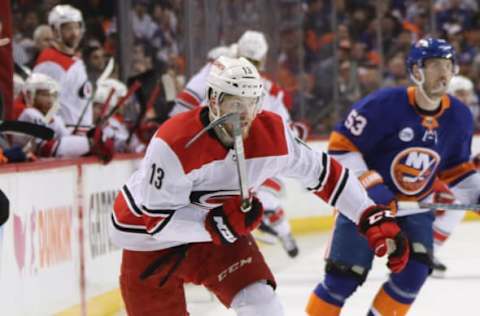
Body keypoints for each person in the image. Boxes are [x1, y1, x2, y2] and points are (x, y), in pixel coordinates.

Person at [109, 56, 408, 315]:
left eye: (251, 103)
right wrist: (218, 226)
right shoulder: (174, 143)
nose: (244, 113)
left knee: (262, 306)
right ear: (213, 100)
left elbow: (324, 173)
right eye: (234, 103)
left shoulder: (272, 134)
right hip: (147, 243)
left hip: (215, 237)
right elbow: (156, 222)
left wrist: (369, 215)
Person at [307, 38, 480, 316]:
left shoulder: (458, 115)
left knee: (414, 274)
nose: (444, 73)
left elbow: (456, 168)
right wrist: (375, 191)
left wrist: (476, 195)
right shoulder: (383, 104)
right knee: (342, 280)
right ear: (416, 71)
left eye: (448, 65)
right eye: (435, 65)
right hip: (364, 206)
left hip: (415, 209)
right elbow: (341, 147)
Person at [430, 75, 479, 277]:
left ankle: (427, 250)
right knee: (456, 203)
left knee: (457, 208)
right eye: (460, 93)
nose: (465, 98)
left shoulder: (462, 116)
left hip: (447, 176)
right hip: (430, 176)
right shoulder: (442, 117)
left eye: (467, 94)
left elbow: (459, 159)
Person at [13, 73, 113, 161]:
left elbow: (65, 136)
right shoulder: (29, 114)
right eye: (44, 95)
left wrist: (89, 136)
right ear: (30, 95)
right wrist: (89, 144)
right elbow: (46, 149)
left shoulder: (52, 117)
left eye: (52, 95)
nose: (49, 100)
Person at [33, 4, 93, 134]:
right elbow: (42, 104)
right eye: (68, 28)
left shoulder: (76, 60)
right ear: (55, 30)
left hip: (82, 132)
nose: (74, 33)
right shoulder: (49, 61)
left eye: (77, 27)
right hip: (66, 134)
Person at [92, 78, 145, 153]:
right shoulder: (83, 123)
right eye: (99, 108)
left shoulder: (114, 124)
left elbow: (131, 143)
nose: (104, 113)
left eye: (108, 109)